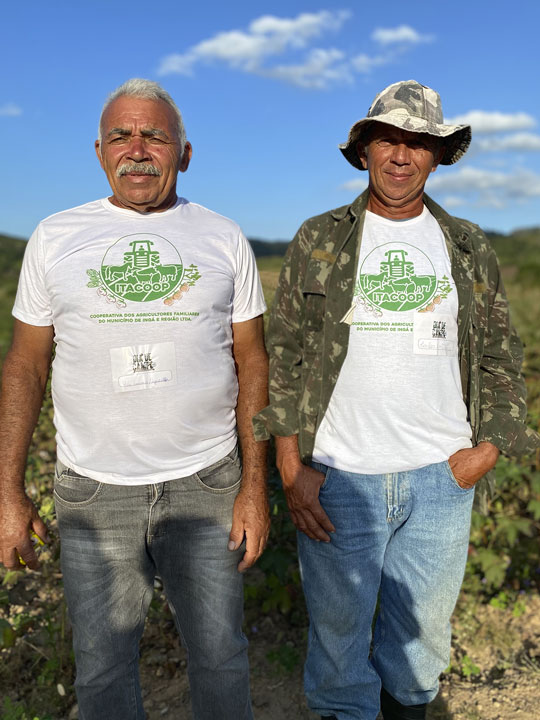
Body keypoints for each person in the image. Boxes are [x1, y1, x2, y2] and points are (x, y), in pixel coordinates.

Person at [254, 80, 540, 720]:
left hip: (442, 480)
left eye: (420, 142)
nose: (402, 155)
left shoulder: (467, 245)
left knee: (418, 656)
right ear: (364, 151)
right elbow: (288, 356)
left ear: (439, 156)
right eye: (389, 138)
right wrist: (290, 466)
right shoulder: (319, 240)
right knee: (337, 652)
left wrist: (487, 449)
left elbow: (500, 351)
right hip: (340, 479)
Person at [0, 78, 269, 720]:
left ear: (185, 153)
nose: (138, 148)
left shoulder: (225, 238)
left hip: (206, 483)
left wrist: (254, 486)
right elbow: (26, 363)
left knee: (221, 656)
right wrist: (8, 490)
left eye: (155, 134)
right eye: (122, 134)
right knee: (101, 670)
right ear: (99, 152)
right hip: (94, 493)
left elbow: (252, 360)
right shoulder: (55, 237)